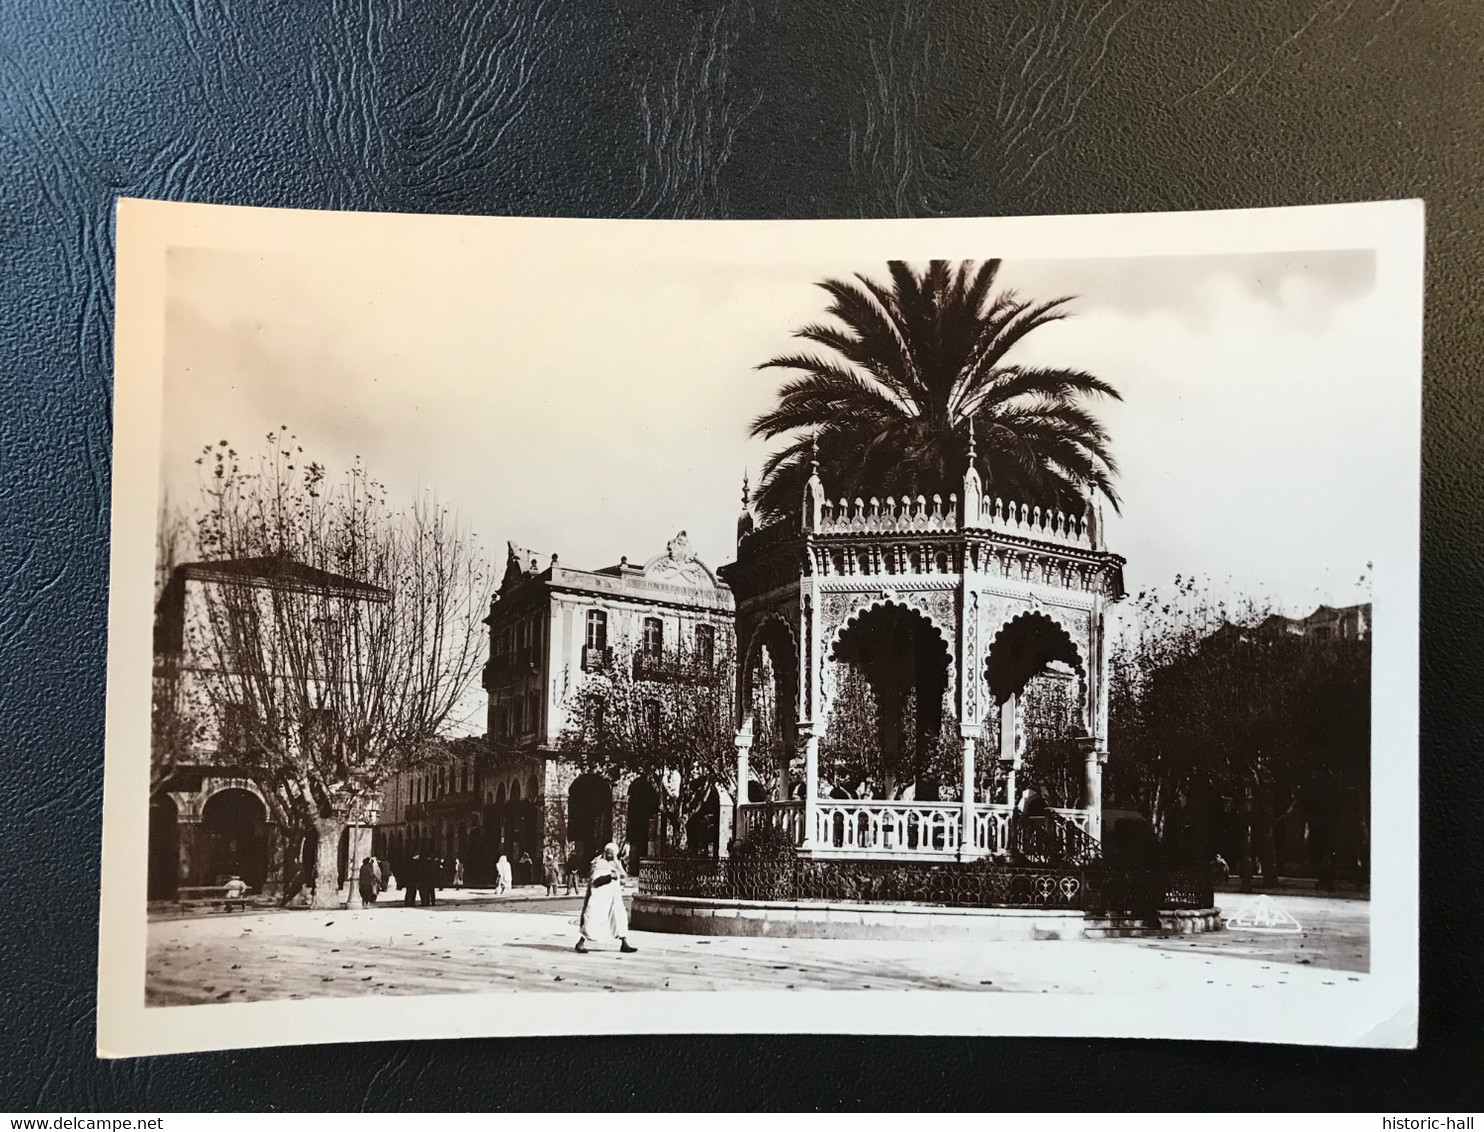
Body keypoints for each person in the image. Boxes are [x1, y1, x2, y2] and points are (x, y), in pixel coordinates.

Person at [575, 842, 636, 953]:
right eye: (607, 852)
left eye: (611, 853)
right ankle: (580, 943)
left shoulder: (616, 864)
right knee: (592, 918)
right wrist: (609, 877)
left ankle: (624, 943)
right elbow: (595, 881)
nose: (609, 854)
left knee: (619, 917)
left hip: (614, 898)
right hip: (599, 898)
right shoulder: (599, 863)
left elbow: (623, 876)